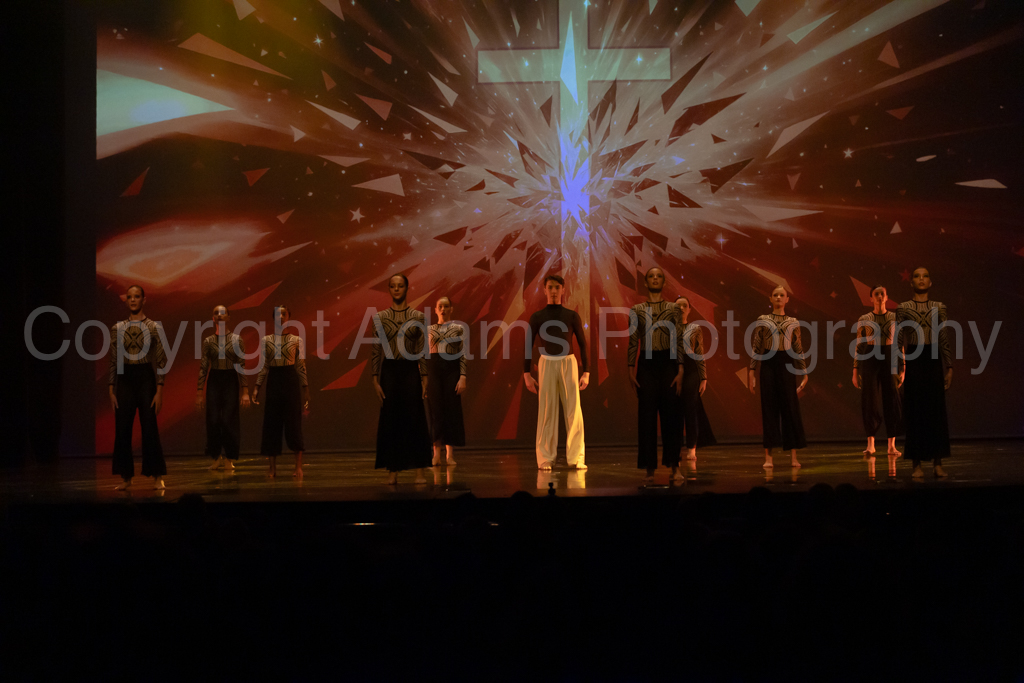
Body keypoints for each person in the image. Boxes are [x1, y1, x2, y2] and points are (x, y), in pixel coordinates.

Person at [523, 274, 589, 471]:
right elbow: (528, 345)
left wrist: (586, 372)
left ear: (563, 289)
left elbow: (583, 344)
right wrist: (526, 373)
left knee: (573, 411)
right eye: (550, 287)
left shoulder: (571, 315)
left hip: (568, 363)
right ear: (544, 290)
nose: (553, 291)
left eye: (557, 287)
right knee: (546, 412)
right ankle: (545, 458)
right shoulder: (537, 317)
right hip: (546, 364)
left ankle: (576, 457)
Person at [371, 274, 432, 485]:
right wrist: (374, 379)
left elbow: (422, 349)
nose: (396, 289)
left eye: (400, 286)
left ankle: (419, 471)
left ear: (407, 288)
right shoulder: (380, 318)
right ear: (389, 289)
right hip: (389, 370)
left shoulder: (418, 317)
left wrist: (425, 376)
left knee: (415, 417)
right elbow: (376, 349)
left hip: (410, 369)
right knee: (391, 419)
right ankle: (393, 470)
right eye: (393, 286)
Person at [108, 284, 167, 490]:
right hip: (124, 378)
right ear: (126, 300)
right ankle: (126, 477)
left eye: (137, 296)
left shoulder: (154, 327)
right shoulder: (118, 328)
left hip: (145, 377)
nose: (133, 300)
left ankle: (157, 475)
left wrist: (159, 390)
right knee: (123, 427)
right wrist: (111, 388)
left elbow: (161, 359)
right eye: (130, 297)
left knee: (149, 426)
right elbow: (114, 359)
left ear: (144, 299)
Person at [627, 268, 683, 483]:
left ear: (664, 281)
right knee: (647, 418)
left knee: (672, 417)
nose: (655, 279)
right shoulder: (637, 310)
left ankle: (675, 466)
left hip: (668, 362)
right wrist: (630, 369)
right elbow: (633, 340)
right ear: (646, 282)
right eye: (651, 276)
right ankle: (649, 468)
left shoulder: (673, 309)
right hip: (647, 363)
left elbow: (678, 340)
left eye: (659, 276)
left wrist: (680, 369)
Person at [896, 267, 952, 479]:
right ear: (911, 282)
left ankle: (937, 462)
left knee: (936, 410)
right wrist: (897, 367)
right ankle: (916, 464)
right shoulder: (903, 308)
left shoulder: (939, 307)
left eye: (925, 276)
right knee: (915, 410)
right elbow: (899, 339)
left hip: (933, 358)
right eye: (917, 276)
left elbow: (943, 337)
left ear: (930, 282)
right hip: (914, 358)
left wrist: (949, 367)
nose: (921, 279)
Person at [747, 285, 808, 470]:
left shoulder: (793, 322)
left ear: (787, 299)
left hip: (786, 362)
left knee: (790, 408)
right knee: (769, 408)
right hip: (768, 363)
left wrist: (804, 371)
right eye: (776, 295)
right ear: (770, 298)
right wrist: (751, 371)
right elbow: (757, 345)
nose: (779, 297)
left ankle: (793, 456)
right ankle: (769, 457)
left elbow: (797, 347)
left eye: (782, 295)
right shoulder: (763, 320)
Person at [253, 305, 308, 479]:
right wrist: (257, 387)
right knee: (272, 425)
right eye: (278, 314)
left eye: (284, 314)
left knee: (294, 425)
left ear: (289, 317)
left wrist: (306, 388)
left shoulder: (296, 340)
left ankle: (298, 467)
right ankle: (272, 468)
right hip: (274, 381)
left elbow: (301, 366)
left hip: (290, 381)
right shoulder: (266, 340)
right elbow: (264, 366)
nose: (281, 317)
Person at [195, 305, 251, 471]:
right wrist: (199, 392)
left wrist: (245, 391)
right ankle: (216, 456)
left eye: (223, 313)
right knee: (213, 420)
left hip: (230, 380)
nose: (219, 316)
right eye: (216, 313)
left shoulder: (236, 340)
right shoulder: (208, 341)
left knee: (228, 420)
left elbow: (241, 365)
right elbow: (203, 367)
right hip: (214, 380)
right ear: (213, 318)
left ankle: (229, 457)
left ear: (228, 317)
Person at [852, 285, 902, 461]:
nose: (880, 296)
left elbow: (899, 344)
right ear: (871, 298)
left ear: (886, 297)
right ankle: (871, 444)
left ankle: (891, 445)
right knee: (870, 400)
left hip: (889, 356)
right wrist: (855, 370)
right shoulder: (864, 319)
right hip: (870, 356)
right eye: (876, 294)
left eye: (882, 294)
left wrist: (902, 367)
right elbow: (859, 345)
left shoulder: (894, 318)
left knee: (892, 398)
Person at [675, 295, 717, 462]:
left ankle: (692, 447)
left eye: (684, 305)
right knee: (675, 410)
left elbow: (699, 352)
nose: (681, 308)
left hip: (691, 368)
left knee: (691, 408)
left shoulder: (695, 328)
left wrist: (703, 377)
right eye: (678, 306)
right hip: (673, 368)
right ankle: (676, 447)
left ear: (689, 309)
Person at [427, 296, 467, 467]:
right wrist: (423, 378)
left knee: (451, 410)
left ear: (451, 309)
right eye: (440, 306)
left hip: (451, 369)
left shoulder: (458, 329)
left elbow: (463, 354)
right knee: (435, 411)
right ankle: (436, 453)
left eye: (446, 306)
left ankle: (449, 454)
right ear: (435, 310)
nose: (443, 309)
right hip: (433, 370)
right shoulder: (429, 330)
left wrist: (463, 377)